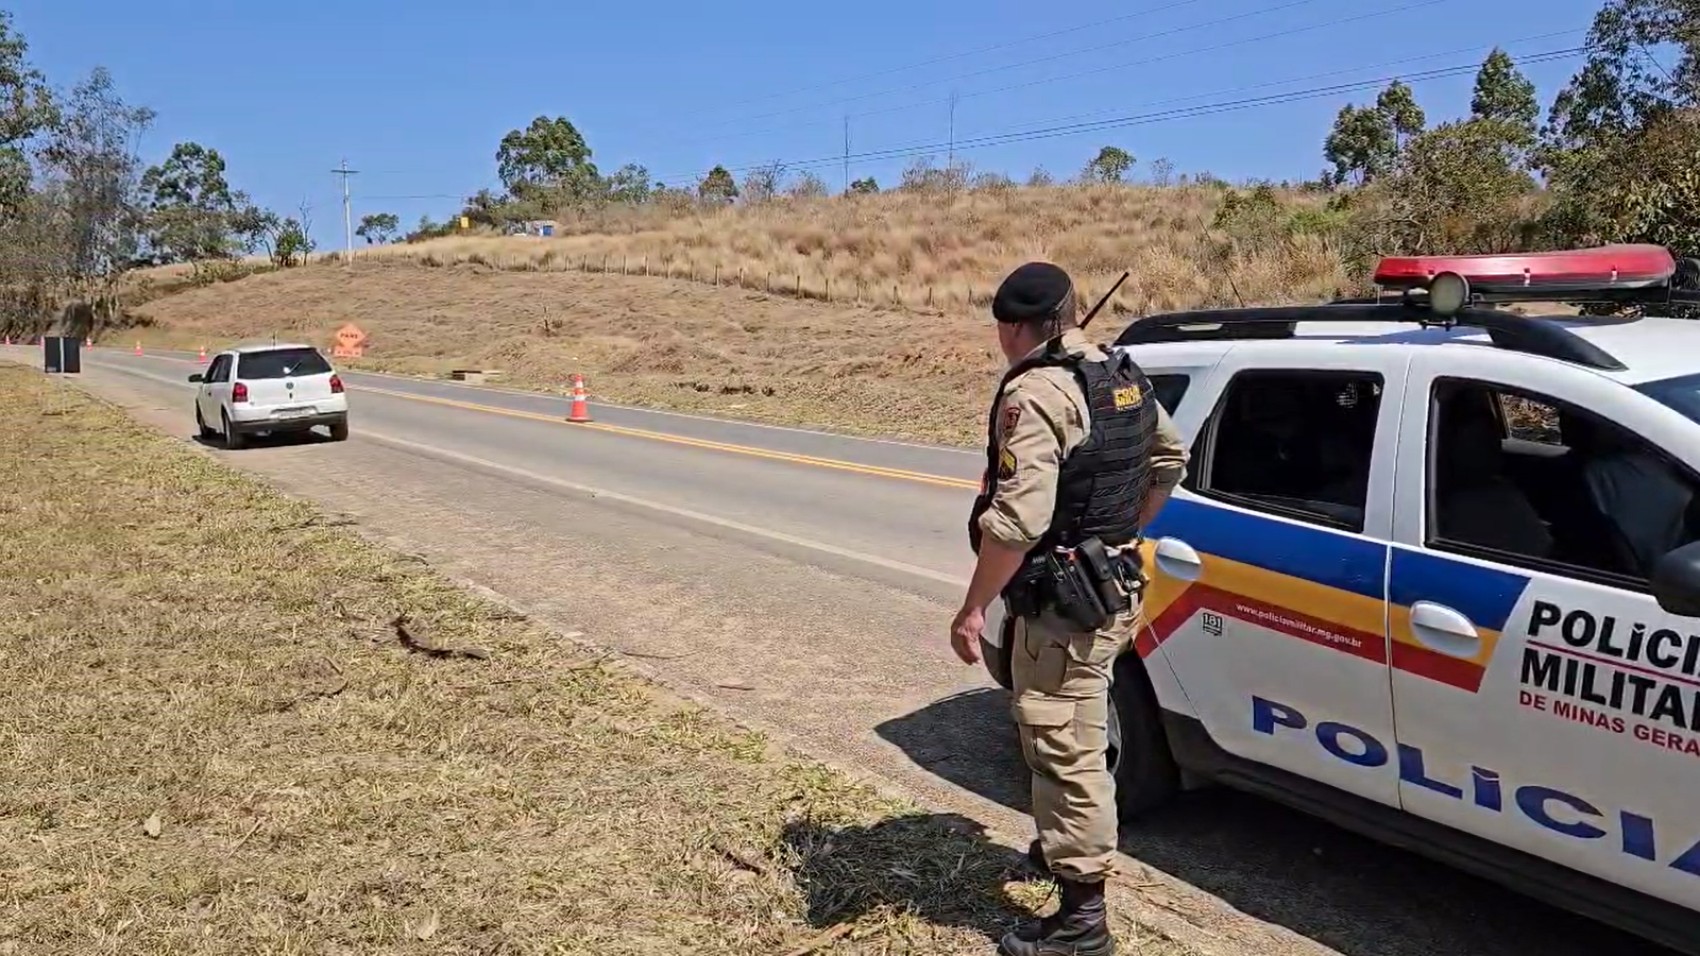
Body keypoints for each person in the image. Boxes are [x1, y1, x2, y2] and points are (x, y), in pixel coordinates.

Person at [950, 261, 1189, 956]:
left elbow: (1016, 523)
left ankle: (1083, 919)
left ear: (1013, 327)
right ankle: (1061, 842)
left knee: (1063, 747)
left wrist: (973, 609)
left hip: (1065, 603)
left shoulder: (1040, 391)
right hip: (1113, 586)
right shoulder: (1121, 375)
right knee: (1084, 720)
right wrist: (1121, 534)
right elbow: (1168, 460)